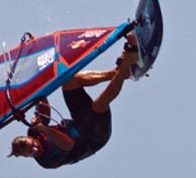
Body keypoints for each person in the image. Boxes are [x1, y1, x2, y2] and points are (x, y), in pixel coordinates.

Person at [8, 33, 139, 169]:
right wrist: (43, 128)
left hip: (79, 120)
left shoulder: (34, 132)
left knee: (69, 81)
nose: (36, 150)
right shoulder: (46, 161)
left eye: (33, 146)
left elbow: (43, 103)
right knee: (99, 105)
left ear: (30, 139)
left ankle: (116, 72)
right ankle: (127, 64)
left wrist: (36, 93)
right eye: (32, 153)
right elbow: (67, 144)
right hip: (93, 137)